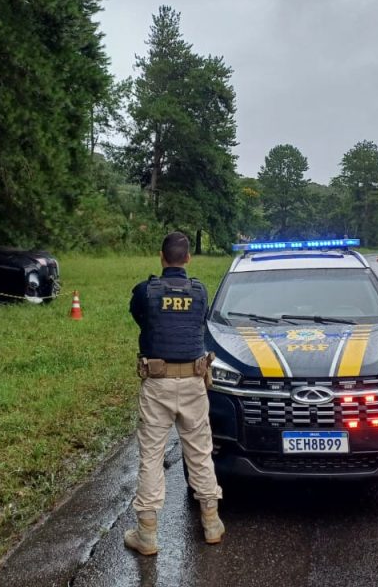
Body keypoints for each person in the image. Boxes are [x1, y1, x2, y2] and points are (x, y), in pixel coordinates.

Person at [124, 231, 224, 556]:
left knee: (151, 457)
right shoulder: (200, 292)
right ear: (189, 259)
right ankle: (211, 523)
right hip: (194, 382)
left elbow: (140, 318)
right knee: (199, 453)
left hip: (157, 382)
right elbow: (200, 323)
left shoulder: (146, 291)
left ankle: (147, 535)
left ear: (161, 256)